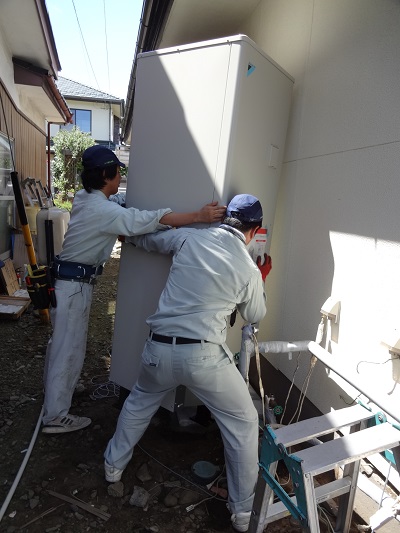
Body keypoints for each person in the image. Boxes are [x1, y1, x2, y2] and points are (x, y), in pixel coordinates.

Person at [104, 193, 272, 533]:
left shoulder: (189, 237)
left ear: (225, 217)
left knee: (139, 403)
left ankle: (112, 467)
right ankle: (242, 515)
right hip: (204, 357)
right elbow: (254, 315)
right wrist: (260, 275)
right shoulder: (248, 268)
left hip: (159, 349)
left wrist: (127, 231)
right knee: (243, 422)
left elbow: (150, 239)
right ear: (255, 231)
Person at [42, 145, 225, 434]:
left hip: (69, 283)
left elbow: (122, 207)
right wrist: (198, 216)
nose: (121, 178)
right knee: (68, 349)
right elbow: (150, 219)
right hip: (74, 287)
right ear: (106, 175)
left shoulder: (86, 197)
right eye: (118, 173)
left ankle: (58, 395)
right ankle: (55, 416)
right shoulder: (103, 210)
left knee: (63, 345)